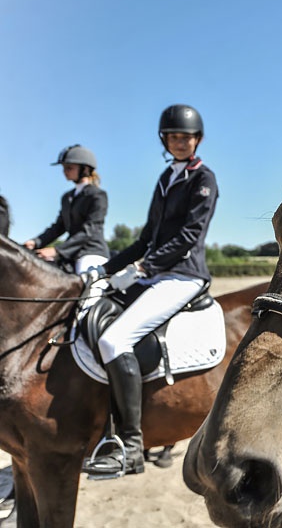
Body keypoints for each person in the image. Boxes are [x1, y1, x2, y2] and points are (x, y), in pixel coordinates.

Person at [83, 104, 218, 477]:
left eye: (185, 137)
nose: (179, 142)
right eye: (173, 137)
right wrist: (104, 270)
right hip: (154, 274)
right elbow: (146, 237)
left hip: (183, 276)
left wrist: (142, 268)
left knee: (114, 341)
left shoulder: (203, 178)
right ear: (165, 140)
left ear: (196, 140)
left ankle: (129, 446)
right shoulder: (165, 178)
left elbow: (190, 236)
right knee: (90, 319)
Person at [24, 145, 109, 273]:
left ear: (85, 169)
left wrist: (57, 251)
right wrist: (35, 242)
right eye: (64, 168)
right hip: (69, 253)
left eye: (69, 168)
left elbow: (90, 231)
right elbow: (58, 227)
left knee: (89, 283)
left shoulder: (97, 195)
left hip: (90, 252)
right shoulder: (67, 197)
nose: (65, 171)